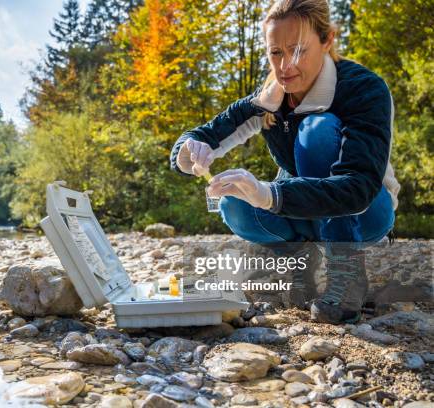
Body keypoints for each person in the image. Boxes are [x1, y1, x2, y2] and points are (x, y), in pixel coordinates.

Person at [169, 0, 400, 324]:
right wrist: (187, 151)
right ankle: (300, 265)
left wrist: (270, 195)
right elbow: (204, 134)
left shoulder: (363, 88)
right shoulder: (268, 98)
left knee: (316, 132)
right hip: (304, 209)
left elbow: (359, 188)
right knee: (234, 202)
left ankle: (346, 274)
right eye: (275, 52)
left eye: (298, 50)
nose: (285, 66)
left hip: (367, 212)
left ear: (327, 42)